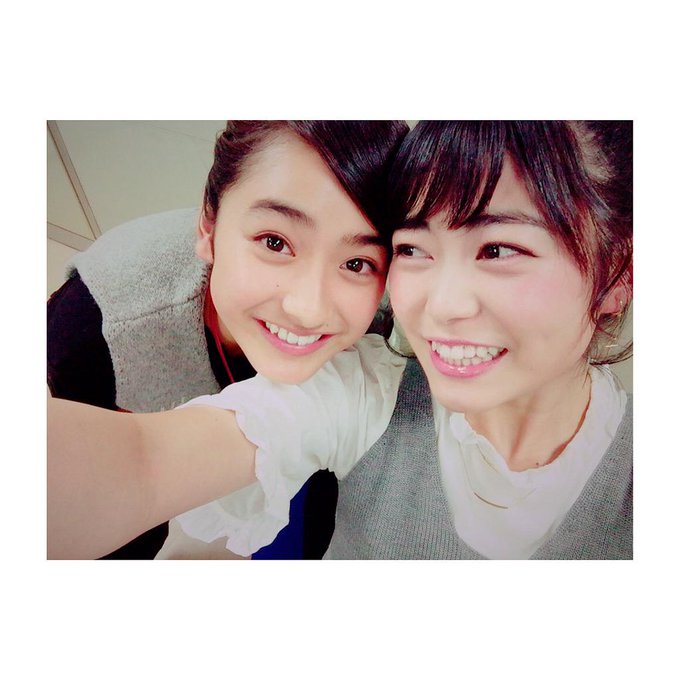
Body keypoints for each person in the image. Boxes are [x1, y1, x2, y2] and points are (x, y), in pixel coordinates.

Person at [48, 121, 633, 559]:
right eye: (414, 249)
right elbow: (145, 463)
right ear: (209, 225)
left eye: (499, 250)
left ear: (619, 273)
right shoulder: (367, 391)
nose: (438, 307)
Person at [46, 119, 409, 559]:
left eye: (356, 264)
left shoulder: (386, 317)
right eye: (274, 242)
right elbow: (118, 477)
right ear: (208, 226)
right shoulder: (97, 326)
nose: (309, 309)